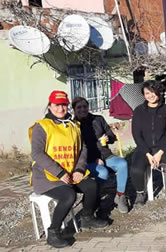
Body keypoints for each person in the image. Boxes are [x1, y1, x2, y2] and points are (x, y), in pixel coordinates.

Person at [29, 91, 108, 248]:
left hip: (71, 174)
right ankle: (53, 232)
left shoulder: (74, 125)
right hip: (47, 178)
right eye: (57, 105)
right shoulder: (42, 126)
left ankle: (87, 218)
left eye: (64, 105)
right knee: (68, 195)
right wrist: (60, 173)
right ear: (50, 106)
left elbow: (82, 149)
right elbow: (37, 153)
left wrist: (79, 169)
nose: (61, 108)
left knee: (92, 185)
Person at [72, 97, 129, 214]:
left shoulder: (98, 119)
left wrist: (108, 138)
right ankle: (94, 201)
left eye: (85, 106)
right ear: (74, 110)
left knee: (123, 164)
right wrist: (94, 159)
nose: (82, 109)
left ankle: (120, 196)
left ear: (88, 107)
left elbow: (112, 136)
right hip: (87, 160)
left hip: (106, 156)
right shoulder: (74, 126)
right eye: (79, 107)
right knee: (103, 172)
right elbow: (79, 148)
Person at [130, 80, 166, 207]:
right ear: (144, 95)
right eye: (147, 93)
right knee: (136, 169)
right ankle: (140, 192)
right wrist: (148, 154)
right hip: (144, 149)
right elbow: (136, 135)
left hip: (163, 148)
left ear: (159, 92)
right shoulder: (138, 111)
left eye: (153, 92)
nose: (151, 95)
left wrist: (159, 153)